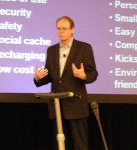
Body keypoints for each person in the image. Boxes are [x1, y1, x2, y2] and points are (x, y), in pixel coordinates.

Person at [34, 16, 98, 150]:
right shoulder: (51, 50)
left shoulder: (84, 48)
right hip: (57, 106)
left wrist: (83, 75)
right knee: (60, 144)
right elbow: (49, 76)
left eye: (64, 28)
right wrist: (39, 78)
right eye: (58, 28)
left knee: (79, 146)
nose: (60, 31)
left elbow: (93, 74)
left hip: (75, 105)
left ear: (72, 30)